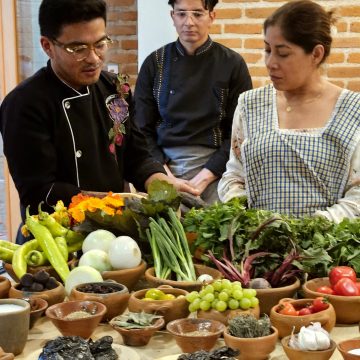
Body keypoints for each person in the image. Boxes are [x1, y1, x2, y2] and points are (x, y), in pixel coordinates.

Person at [0, 0, 198, 243]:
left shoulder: (116, 89)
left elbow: (136, 155)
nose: (93, 58)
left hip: (116, 235)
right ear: (47, 46)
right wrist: (117, 203)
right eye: (78, 48)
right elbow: (40, 191)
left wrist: (161, 182)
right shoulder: (24, 103)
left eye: (100, 44)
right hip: (56, 239)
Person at [218, 0, 360, 222]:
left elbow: (357, 196)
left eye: (282, 53)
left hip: (326, 250)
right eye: (267, 50)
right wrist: (247, 219)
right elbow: (235, 175)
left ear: (316, 54)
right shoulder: (250, 104)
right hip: (254, 247)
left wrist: (309, 229)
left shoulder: (353, 111)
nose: (270, 62)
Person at [134, 0, 252, 204]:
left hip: (217, 169)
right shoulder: (154, 63)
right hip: (163, 165)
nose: (189, 22)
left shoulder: (233, 64)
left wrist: (203, 178)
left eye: (197, 14)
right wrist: (163, 176)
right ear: (173, 17)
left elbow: (239, 134)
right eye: (181, 14)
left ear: (211, 17)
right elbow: (142, 129)